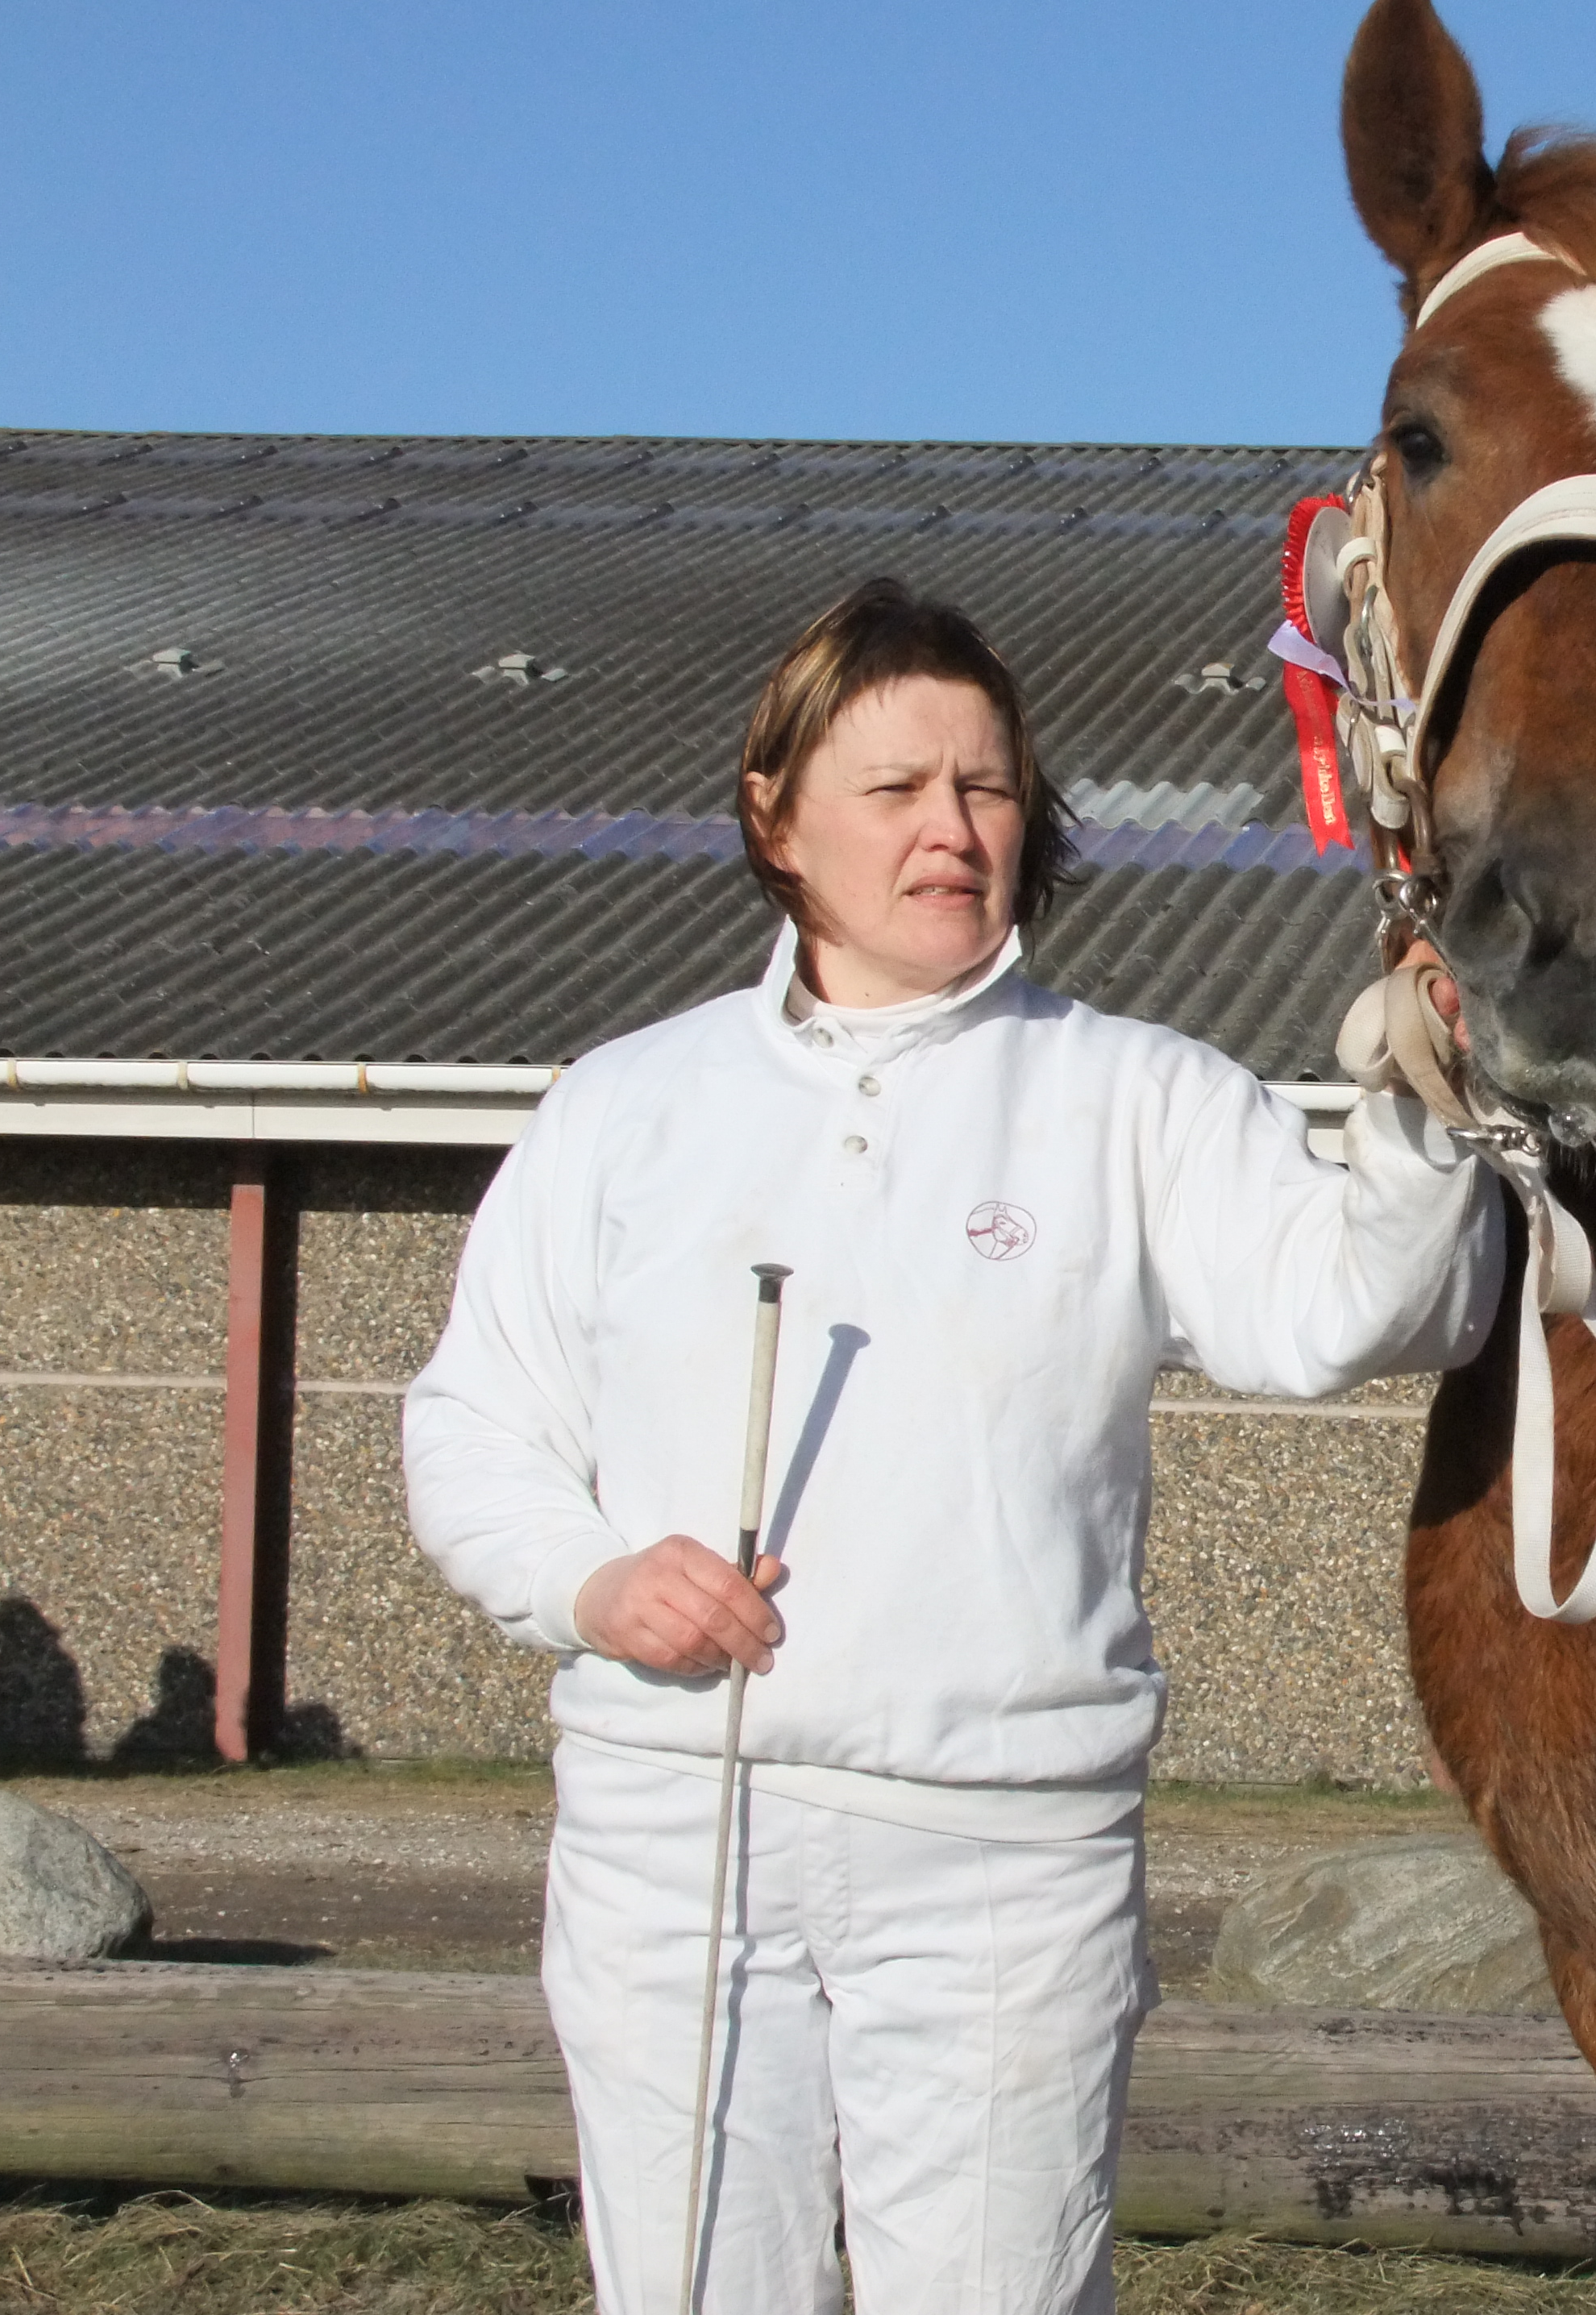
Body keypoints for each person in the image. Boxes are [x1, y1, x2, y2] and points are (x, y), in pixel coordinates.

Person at [405, 576, 1499, 2315]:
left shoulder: (1132, 1094)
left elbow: (1346, 1312)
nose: (952, 829)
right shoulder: (629, 1104)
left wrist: (1427, 1114)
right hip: (671, 1836)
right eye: (897, 788)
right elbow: (474, 1422)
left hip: (1003, 1857)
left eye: (985, 788)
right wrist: (591, 1582)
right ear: (774, 816)